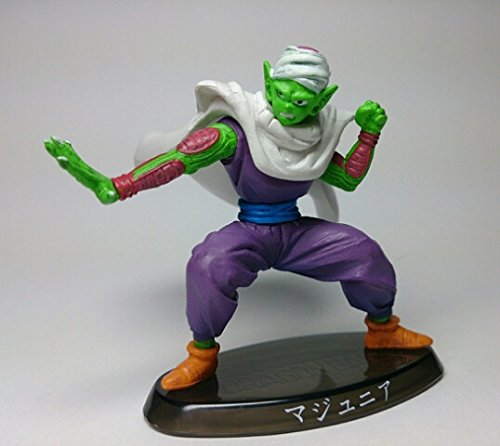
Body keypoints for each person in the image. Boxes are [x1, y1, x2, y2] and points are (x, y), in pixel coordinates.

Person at [45, 45, 432, 392]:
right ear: (268, 81)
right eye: (281, 94)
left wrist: (368, 135)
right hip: (251, 232)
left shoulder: (315, 139)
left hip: (296, 233)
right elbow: (178, 160)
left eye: (300, 101)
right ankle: (201, 355)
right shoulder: (235, 134)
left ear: (322, 100)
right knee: (208, 264)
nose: (288, 106)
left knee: (364, 252)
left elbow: (347, 179)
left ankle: (383, 330)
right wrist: (119, 185)